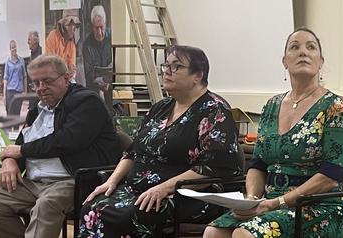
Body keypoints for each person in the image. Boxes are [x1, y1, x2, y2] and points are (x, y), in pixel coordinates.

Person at [78, 45, 243, 238]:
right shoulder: (161, 107)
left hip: (189, 193)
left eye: (176, 67)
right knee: (92, 205)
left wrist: (164, 188)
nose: (167, 72)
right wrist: (111, 181)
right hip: (141, 189)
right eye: (166, 66)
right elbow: (133, 151)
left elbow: (215, 167)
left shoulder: (215, 110)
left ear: (198, 75)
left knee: (133, 214)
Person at [205, 28, 343, 238]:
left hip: (318, 206)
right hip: (269, 202)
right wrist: (251, 199)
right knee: (214, 232)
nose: (303, 52)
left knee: (244, 234)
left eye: (310, 47)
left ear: (320, 61)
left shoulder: (336, 106)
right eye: (295, 47)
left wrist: (277, 203)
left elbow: (331, 176)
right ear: (284, 61)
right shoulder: (271, 105)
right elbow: (258, 164)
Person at [0, 55, 121, 238]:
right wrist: (10, 161)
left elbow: (67, 140)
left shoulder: (87, 102)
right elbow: (20, 144)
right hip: (34, 182)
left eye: (47, 81)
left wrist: (21, 151)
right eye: (36, 83)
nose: (41, 88)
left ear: (66, 78)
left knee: (46, 205)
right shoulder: (36, 110)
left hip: (73, 180)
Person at [82, 5, 112, 102]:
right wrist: (102, 82)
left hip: (111, 84)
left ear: (105, 24)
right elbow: (89, 74)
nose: (99, 32)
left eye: (101, 27)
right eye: (96, 28)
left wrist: (108, 81)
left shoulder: (112, 37)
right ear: (92, 26)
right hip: (94, 86)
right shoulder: (87, 45)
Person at [45, 9, 80, 79]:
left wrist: (72, 71)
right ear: (62, 26)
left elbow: (72, 67)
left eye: (75, 25)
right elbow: (50, 65)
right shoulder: (52, 37)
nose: (73, 28)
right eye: (69, 25)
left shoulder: (72, 45)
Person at [3, 40, 26, 113]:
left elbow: (24, 76)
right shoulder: (8, 62)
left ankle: (16, 125)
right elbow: (5, 79)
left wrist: (24, 91)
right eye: (12, 47)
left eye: (15, 47)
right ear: (10, 49)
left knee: (17, 113)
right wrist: (4, 95)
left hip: (19, 91)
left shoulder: (21, 60)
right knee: (9, 113)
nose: (14, 49)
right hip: (10, 91)